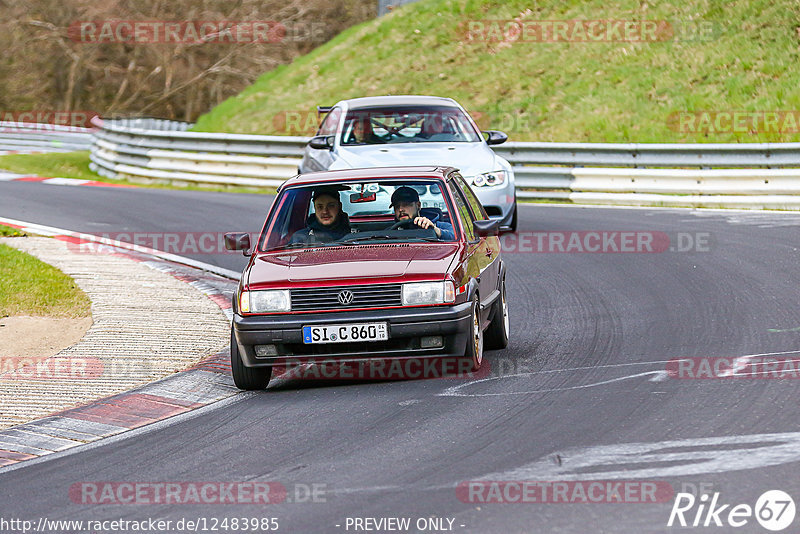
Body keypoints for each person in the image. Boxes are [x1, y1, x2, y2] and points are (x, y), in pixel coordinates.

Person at [390, 186, 455, 240]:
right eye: (397, 206)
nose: (400, 209)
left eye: (406, 204)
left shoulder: (439, 225)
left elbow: (455, 236)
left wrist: (434, 230)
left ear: (418, 205)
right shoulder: (390, 229)